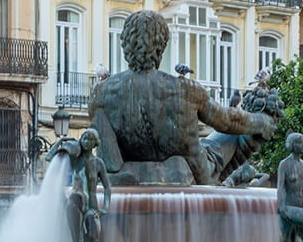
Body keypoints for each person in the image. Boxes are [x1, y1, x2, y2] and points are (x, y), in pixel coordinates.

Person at [88, 10, 279, 185]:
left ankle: (241, 173)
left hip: (130, 182)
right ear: (161, 47)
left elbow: (111, 163)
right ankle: (243, 170)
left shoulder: (101, 94)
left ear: (125, 46)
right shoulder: (185, 89)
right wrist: (261, 121)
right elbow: (227, 121)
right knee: (230, 138)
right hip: (194, 176)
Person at [45, 128, 112, 242]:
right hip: (75, 201)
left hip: (92, 205)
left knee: (92, 238)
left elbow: (107, 187)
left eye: (90, 139)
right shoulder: (75, 159)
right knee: (78, 240)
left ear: (95, 143)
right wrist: (60, 141)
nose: (86, 141)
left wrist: (105, 207)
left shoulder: (99, 163)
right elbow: (49, 158)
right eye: (84, 138)